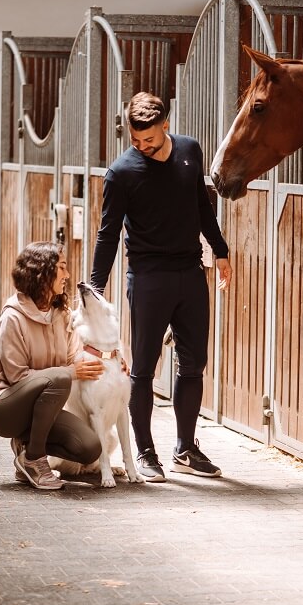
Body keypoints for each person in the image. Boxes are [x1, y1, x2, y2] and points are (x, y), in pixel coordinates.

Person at [91, 91, 232, 483]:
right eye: (135, 141)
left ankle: (185, 448)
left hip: (190, 270)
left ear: (165, 125)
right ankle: (146, 452)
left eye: (149, 139)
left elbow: (202, 206)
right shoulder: (121, 172)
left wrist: (220, 251)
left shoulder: (190, 151)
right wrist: (95, 289)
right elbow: (107, 235)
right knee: (144, 368)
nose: (142, 146)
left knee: (194, 363)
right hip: (149, 275)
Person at [0, 241, 103, 490]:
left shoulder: (62, 314)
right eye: (62, 267)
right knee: (60, 378)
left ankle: (26, 447)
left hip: (41, 407)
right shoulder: (12, 317)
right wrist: (68, 372)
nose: (67, 275)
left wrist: (111, 359)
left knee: (90, 447)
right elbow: (16, 376)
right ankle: (35, 459)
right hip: (4, 407)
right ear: (42, 272)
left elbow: (75, 359)